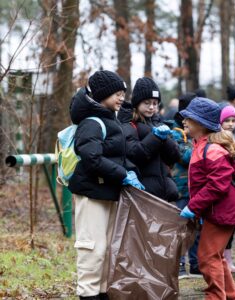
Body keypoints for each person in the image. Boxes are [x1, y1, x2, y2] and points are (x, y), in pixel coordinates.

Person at [68, 70, 144, 300]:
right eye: (116, 94)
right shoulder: (91, 123)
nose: (122, 98)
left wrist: (131, 171)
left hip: (108, 192)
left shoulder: (111, 119)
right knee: (92, 248)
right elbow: (92, 158)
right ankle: (88, 293)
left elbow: (116, 155)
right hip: (91, 193)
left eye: (123, 93)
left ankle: (101, 292)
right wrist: (122, 174)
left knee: (107, 249)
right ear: (102, 95)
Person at [179, 97, 235, 300]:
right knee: (215, 256)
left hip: (224, 212)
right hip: (217, 211)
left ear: (200, 123)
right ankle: (232, 297)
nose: (184, 122)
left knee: (207, 257)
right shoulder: (201, 145)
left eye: (188, 119)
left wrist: (193, 206)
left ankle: (216, 297)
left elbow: (218, 184)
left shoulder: (213, 149)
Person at [118, 77, 180, 202]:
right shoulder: (128, 124)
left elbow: (174, 157)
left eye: (155, 103)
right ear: (137, 103)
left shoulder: (158, 123)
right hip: (144, 194)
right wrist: (155, 137)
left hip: (165, 192)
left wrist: (167, 140)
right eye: (147, 103)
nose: (151, 107)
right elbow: (134, 154)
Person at [170, 92, 201, 279]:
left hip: (196, 189)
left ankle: (196, 265)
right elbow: (186, 156)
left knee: (197, 227)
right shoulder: (175, 133)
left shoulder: (197, 132)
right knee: (181, 228)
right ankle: (180, 266)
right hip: (180, 188)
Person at [219, 105, 235, 273]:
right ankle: (222, 261)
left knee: (231, 227)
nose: (230, 124)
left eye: (233, 120)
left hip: (234, 187)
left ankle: (228, 260)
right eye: (227, 120)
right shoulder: (218, 140)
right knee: (222, 226)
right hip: (224, 188)